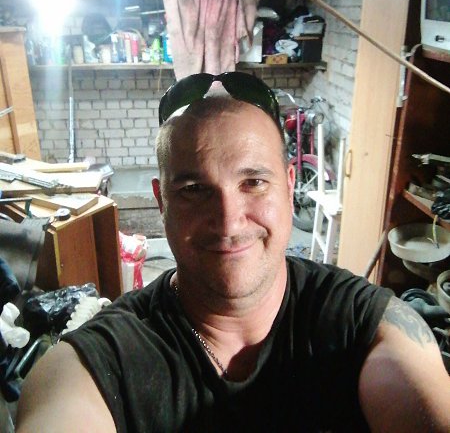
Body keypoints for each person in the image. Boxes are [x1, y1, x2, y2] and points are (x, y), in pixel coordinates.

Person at [16, 72, 450, 432]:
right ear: (161, 201)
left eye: (253, 182)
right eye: (194, 189)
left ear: (289, 184)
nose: (228, 220)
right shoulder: (93, 366)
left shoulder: (367, 326)